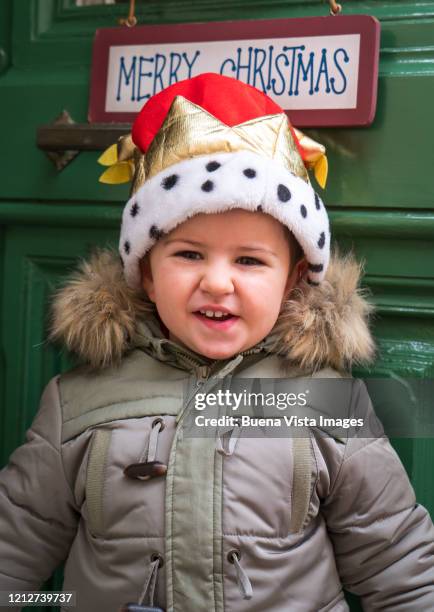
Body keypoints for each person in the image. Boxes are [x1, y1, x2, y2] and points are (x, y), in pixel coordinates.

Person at [1, 73, 433, 612]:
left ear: (294, 279)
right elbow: (14, 548)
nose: (218, 282)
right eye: (188, 255)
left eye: (249, 260)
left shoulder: (326, 401)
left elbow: (397, 564)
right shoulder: (81, 399)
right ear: (148, 276)